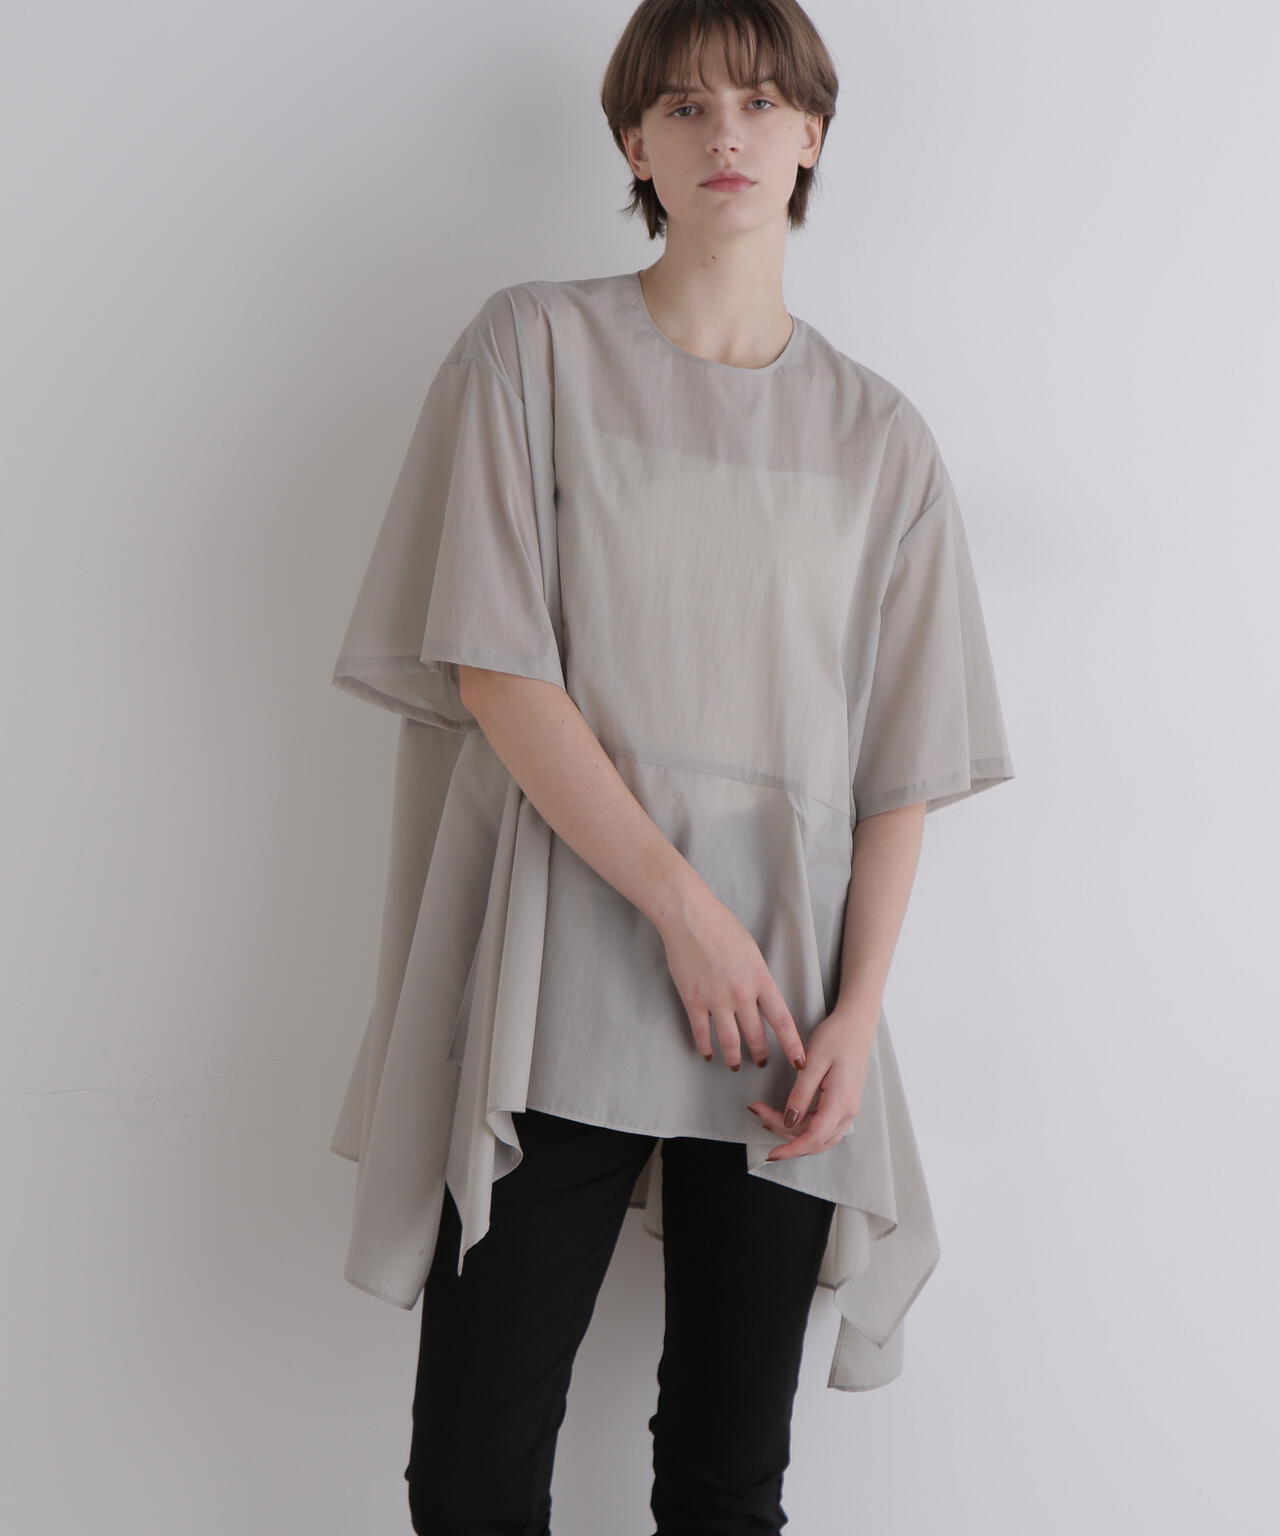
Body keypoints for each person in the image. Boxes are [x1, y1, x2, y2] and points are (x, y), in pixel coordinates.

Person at [327, 1, 1015, 1531]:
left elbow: (899, 767)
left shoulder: (882, 439)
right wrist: (683, 911)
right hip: (565, 966)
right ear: (633, 142)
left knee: (726, 1480)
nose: (727, 136)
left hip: (788, 1014)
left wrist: (857, 1013)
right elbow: (498, 669)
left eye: (762, 103)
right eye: (686, 107)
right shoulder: (533, 347)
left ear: (812, 136)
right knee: (475, 1470)